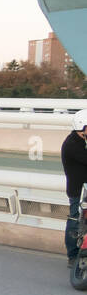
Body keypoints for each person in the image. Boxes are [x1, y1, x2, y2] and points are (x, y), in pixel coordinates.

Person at [63, 109, 87, 267]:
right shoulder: (72, 144)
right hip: (78, 191)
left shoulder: (82, 141)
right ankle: (72, 256)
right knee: (74, 220)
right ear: (82, 127)